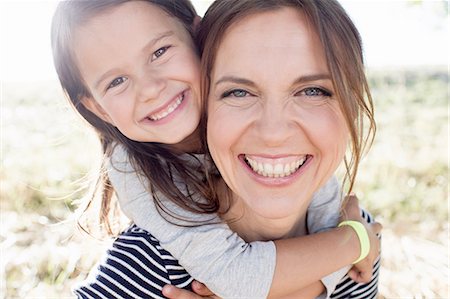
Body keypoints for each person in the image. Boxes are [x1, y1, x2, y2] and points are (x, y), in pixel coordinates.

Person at [50, 0, 380, 298]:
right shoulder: (133, 178)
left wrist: (349, 228)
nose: (151, 89)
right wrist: (354, 242)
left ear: (198, 38)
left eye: (160, 52)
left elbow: (325, 213)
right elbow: (233, 276)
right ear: (100, 109)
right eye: (116, 81)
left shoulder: (337, 211)